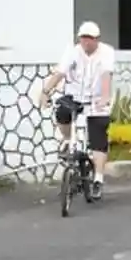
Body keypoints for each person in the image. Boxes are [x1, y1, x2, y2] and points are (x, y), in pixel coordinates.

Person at [39, 21, 116, 200]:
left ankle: (97, 179)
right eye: (83, 38)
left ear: (97, 40)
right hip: (75, 96)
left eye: (89, 39)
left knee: (98, 136)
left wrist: (105, 97)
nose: (86, 42)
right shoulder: (73, 52)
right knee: (61, 112)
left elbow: (106, 75)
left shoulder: (106, 52)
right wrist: (45, 91)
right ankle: (67, 140)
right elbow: (60, 73)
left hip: (96, 99)